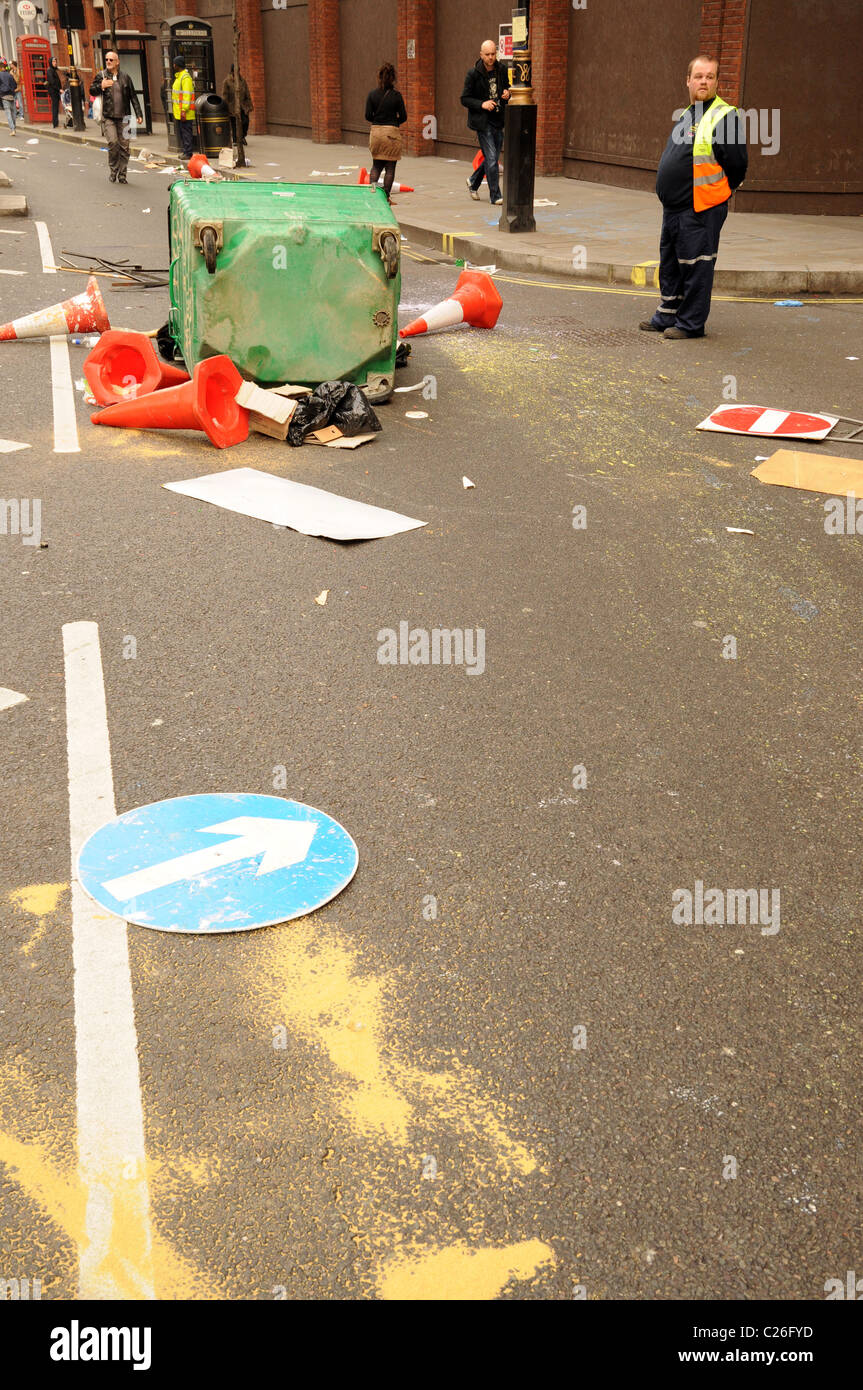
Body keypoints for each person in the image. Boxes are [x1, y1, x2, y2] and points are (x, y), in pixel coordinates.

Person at [640, 55, 747, 339]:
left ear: (716, 82)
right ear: (687, 80)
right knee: (672, 265)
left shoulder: (724, 115)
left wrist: (721, 191)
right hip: (674, 208)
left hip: (701, 206)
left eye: (710, 77)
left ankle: (691, 324)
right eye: (699, 76)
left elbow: (737, 164)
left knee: (696, 266)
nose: (704, 81)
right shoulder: (689, 113)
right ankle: (668, 314)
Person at [461, 40, 510, 205]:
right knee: (490, 159)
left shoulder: (502, 70)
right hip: (483, 122)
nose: (491, 57)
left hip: (498, 118)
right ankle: (495, 195)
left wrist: (507, 94)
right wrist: (482, 104)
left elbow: (508, 88)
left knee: (492, 158)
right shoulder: (473, 74)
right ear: (481, 55)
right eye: (487, 54)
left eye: (493, 54)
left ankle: (473, 181)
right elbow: (465, 98)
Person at [90, 51, 142, 184]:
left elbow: (133, 97)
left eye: (111, 60)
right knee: (113, 143)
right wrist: (100, 86)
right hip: (109, 117)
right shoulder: (101, 76)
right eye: (106, 59)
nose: (108, 62)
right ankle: (113, 170)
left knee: (125, 146)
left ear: (117, 62)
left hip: (125, 118)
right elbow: (91, 90)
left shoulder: (125, 77)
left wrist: (139, 114)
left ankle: (122, 174)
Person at [171, 54, 196, 160]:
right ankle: (186, 151)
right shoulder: (180, 77)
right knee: (183, 132)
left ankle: (188, 152)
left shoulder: (185, 78)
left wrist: (184, 110)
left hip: (185, 111)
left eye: (174, 63)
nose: (173, 65)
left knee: (186, 132)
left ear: (177, 65)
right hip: (180, 111)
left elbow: (187, 95)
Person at [222, 64, 253, 144]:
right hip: (232, 106)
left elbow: (247, 93)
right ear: (232, 71)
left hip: (242, 105)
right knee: (234, 123)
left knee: (245, 122)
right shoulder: (227, 82)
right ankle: (236, 140)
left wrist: (249, 104)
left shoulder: (242, 81)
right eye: (235, 71)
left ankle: (242, 136)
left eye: (238, 71)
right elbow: (225, 95)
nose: (237, 72)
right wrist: (226, 107)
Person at [0, 60, 18, 137]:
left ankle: (12, 129)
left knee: (8, 114)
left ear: (1, 68)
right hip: (11, 96)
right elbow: (15, 85)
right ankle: (14, 127)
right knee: (13, 113)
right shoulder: (10, 75)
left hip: (4, 96)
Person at [47, 58, 63, 129]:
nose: (55, 63)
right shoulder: (50, 71)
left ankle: (56, 123)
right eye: (53, 61)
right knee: (55, 108)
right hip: (54, 91)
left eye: (55, 61)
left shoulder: (54, 70)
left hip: (56, 91)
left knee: (56, 107)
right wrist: (59, 89)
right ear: (50, 62)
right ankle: (55, 124)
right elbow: (52, 82)